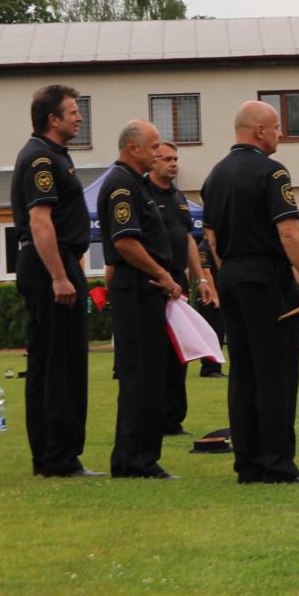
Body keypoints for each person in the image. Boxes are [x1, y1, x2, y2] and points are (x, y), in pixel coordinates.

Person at [200, 101, 299, 484]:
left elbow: (211, 237)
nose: (280, 133)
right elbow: (289, 231)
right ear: (258, 131)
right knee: (276, 373)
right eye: (276, 127)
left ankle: (248, 463)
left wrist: (226, 274)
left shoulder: (214, 176)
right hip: (265, 277)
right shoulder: (272, 172)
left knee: (244, 372)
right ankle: (277, 463)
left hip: (231, 274)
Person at [11, 85, 99, 478]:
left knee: (56, 360)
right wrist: (60, 276)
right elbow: (40, 221)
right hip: (51, 264)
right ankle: (57, 458)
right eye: (73, 111)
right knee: (59, 363)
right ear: (53, 119)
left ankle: (54, 456)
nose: (79, 117)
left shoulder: (54, 156)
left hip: (57, 260)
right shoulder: (40, 159)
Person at [99, 121, 184, 479]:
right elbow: (125, 243)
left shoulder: (137, 184)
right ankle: (136, 460)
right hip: (137, 289)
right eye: (152, 148)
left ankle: (134, 457)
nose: (157, 154)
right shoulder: (121, 185)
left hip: (145, 289)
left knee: (151, 374)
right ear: (132, 149)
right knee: (140, 376)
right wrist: (163, 275)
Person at [146, 140, 218, 435]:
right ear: (153, 162)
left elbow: (188, 238)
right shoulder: (142, 194)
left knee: (179, 353)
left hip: (179, 284)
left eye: (175, 159)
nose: (173, 164)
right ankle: (155, 416)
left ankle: (174, 419)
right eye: (166, 159)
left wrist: (200, 277)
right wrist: (163, 277)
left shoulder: (177, 197)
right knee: (156, 356)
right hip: (154, 283)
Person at [193, 235, 226, 377]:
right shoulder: (204, 248)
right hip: (208, 298)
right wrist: (215, 296)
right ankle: (209, 368)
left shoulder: (216, 247)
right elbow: (206, 273)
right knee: (212, 333)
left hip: (217, 297)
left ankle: (215, 367)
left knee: (219, 333)